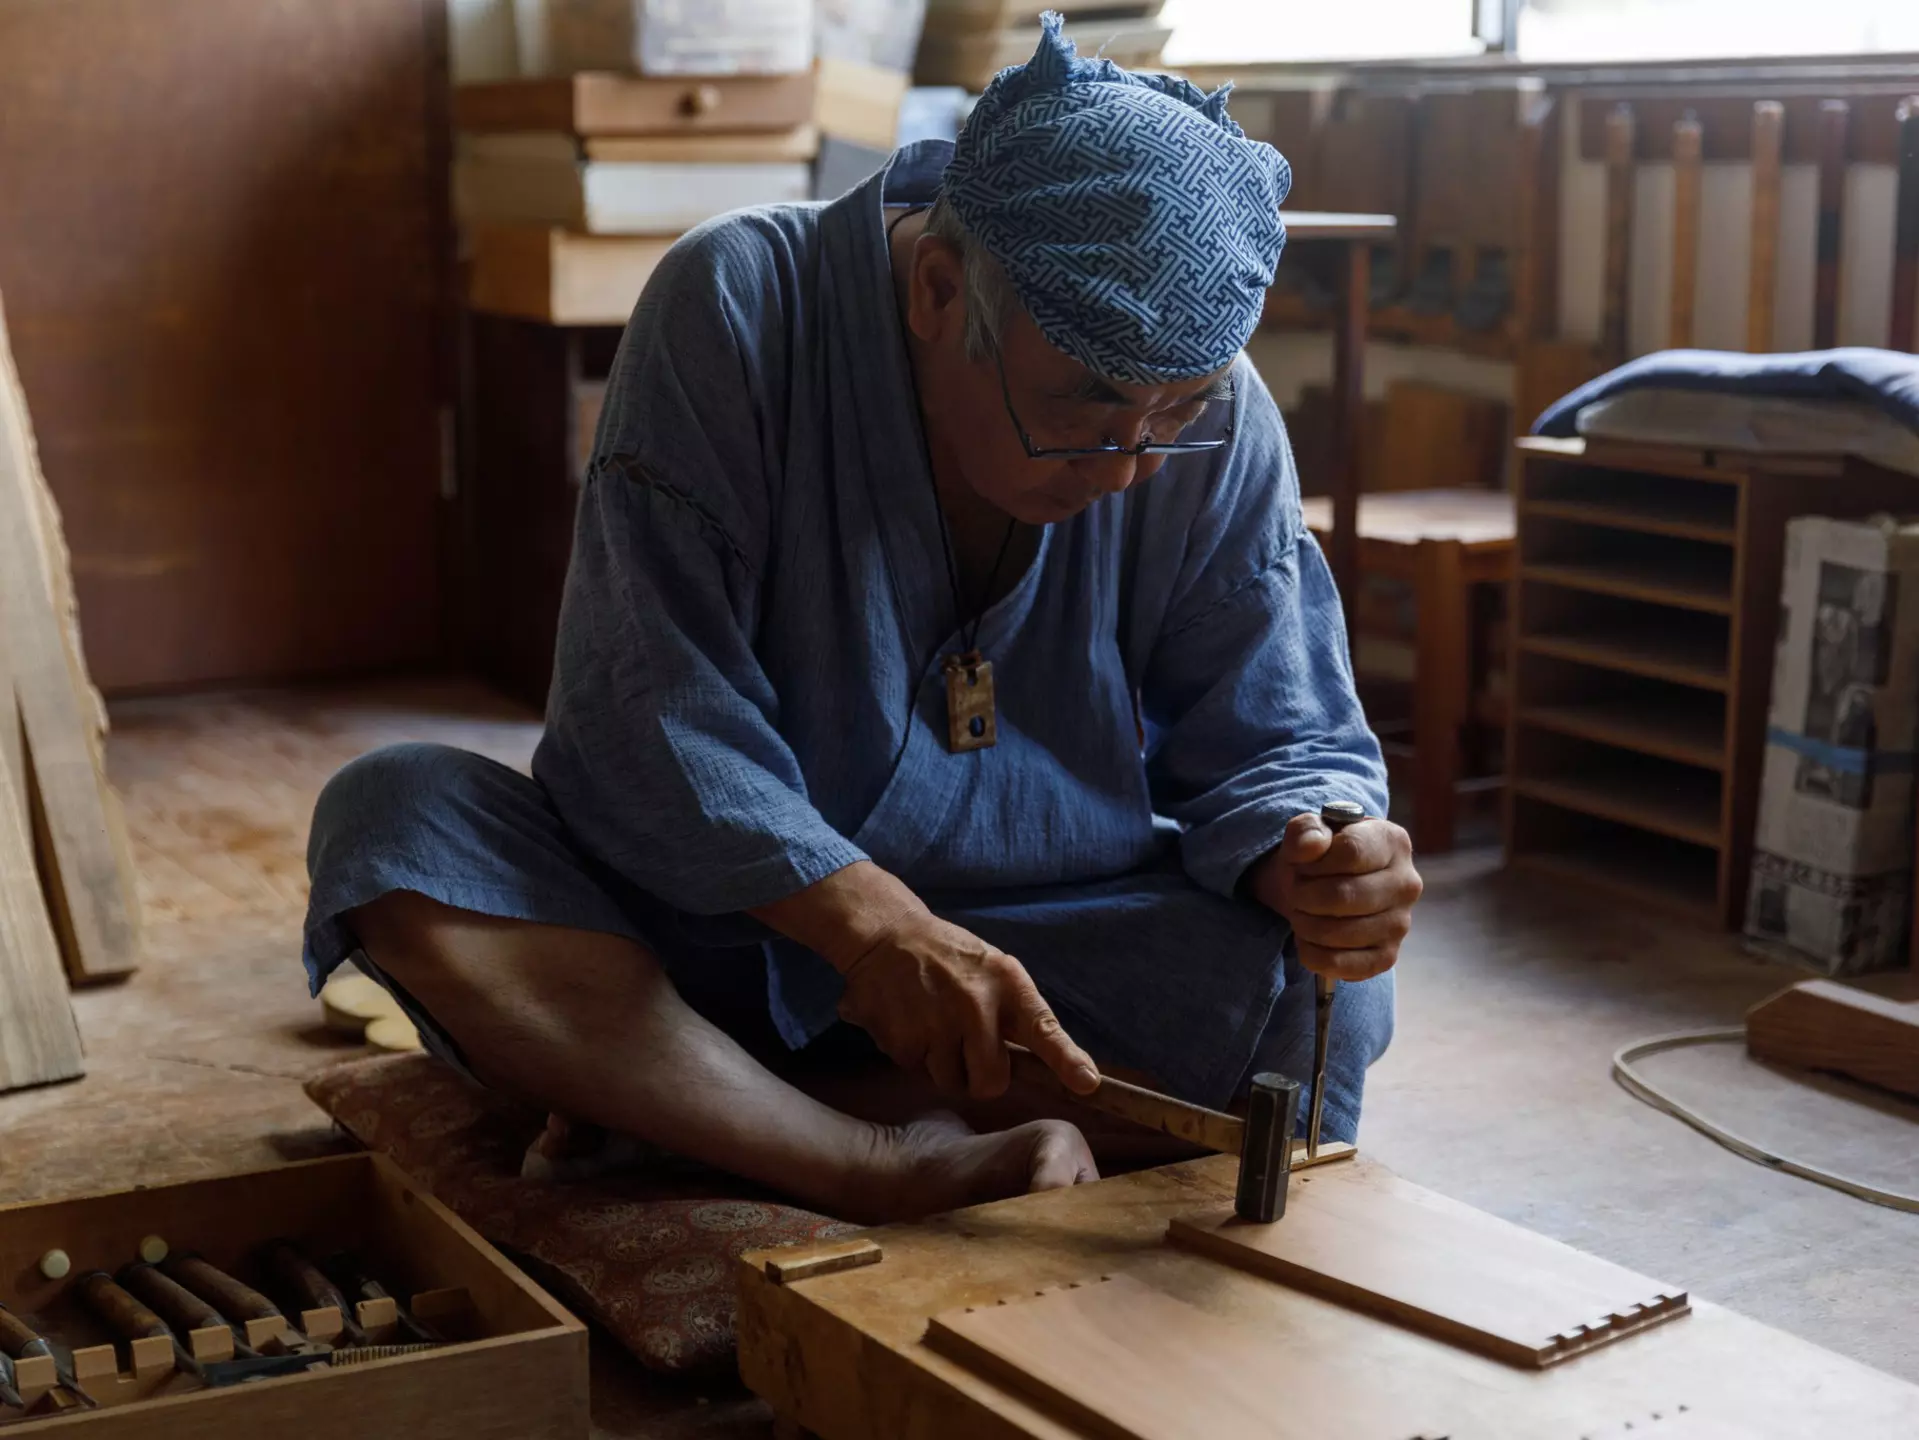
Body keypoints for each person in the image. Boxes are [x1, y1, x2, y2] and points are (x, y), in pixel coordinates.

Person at [303, 17, 1422, 1224]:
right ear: (939, 290)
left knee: (1317, 990)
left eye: (1177, 415)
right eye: (1083, 406)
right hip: (721, 927)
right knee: (399, 821)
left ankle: (689, 1113)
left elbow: (1279, 730)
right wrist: (868, 924)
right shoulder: (740, 303)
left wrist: (1320, 852)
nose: (1127, 461)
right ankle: (866, 1158)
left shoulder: (1204, 406)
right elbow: (650, 705)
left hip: (1028, 956)